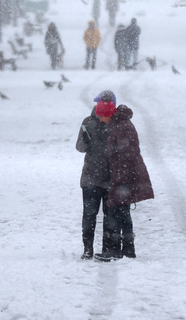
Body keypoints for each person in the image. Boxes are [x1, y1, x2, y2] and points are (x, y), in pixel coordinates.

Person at [96, 101, 154, 261]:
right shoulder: (121, 125)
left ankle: (116, 251)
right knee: (122, 213)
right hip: (124, 176)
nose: (101, 120)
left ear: (108, 114)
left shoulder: (122, 127)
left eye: (102, 116)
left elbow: (125, 154)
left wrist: (119, 179)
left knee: (116, 213)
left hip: (123, 177)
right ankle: (128, 250)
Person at [75, 90, 117, 260]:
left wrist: (87, 140)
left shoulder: (87, 122)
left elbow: (80, 147)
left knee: (89, 215)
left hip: (90, 178)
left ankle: (87, 249)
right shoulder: (116, 123)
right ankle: (107, 248)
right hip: (110, 178)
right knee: (109, 216)